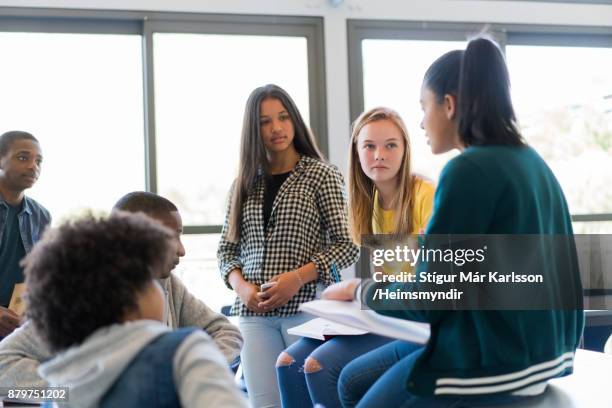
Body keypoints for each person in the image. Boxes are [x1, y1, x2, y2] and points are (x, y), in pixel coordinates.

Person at [324, 36, 584, 407]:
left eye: (423, 107)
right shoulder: (531, 161)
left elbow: (431, 296)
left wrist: (361, 291)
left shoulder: (468, 170)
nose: (422, 122)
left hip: (497, 364)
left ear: (448, 105)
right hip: (546, 356)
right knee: (352, 381)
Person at [276, 107, 434, 408]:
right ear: (357, 153)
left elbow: (428, 282)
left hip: (412, 321)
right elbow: (389, 276)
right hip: (385, 313)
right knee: (286, 361)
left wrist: (362, 291)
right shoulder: (371, 201)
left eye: (390, 145)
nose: (379, 155)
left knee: (316, 366)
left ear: (404, 151)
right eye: (369, 146)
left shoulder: (426, 194)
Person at [0, 191, 243, 387]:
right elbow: (4, 365)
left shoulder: (169, 284)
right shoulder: (79, 296)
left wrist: (186, 370)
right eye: (172, 237)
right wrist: (72, 391)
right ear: (136, 237)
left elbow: (226, 332)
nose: (182, 250)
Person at [218, 84, 359, 407]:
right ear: (254, 130)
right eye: (265, 121)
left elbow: (347, 244)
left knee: (304, 401)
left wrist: (297, 277)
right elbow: (226, 252)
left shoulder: (321, 175)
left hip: (307, 308)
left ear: (294, 120)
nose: (276, 128)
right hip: (254, 316)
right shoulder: (242, 184)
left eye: (282, 117)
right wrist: (241, 288)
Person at [0, 131, 50, 338]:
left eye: (38, 161)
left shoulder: (41, 215)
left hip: (17, 324)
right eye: (23, 157)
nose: (33, 166)